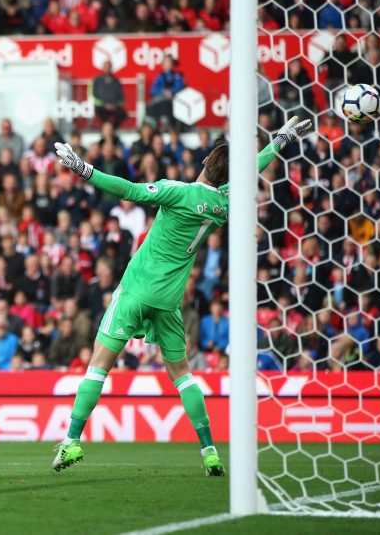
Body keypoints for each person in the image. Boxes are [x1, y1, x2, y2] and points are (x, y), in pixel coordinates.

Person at [50, 116, 313, 477]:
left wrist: (84, 169)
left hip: (135, 290)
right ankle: (209, 452)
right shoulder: (224, 204)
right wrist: (279, 142)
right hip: (170, 301)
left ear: (206, 162)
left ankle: (71, 441)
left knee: (98, 365)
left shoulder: (178, 192)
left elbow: (129, 190)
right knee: (183, 376)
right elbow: (249, 171)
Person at [92, 60, 126, 127]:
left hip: (114, 106)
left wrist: (115, 105)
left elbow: (121, 96)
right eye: (106, 67)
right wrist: (104, 104)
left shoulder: (116, 81)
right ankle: (106, 129)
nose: (107, 69)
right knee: (103, 114)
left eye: (109, 67)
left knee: (123, 114)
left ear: (111, 68)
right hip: (101, 106)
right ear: (103, 68)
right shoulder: (97, 80)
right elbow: (94, 94)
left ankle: (112, 128)